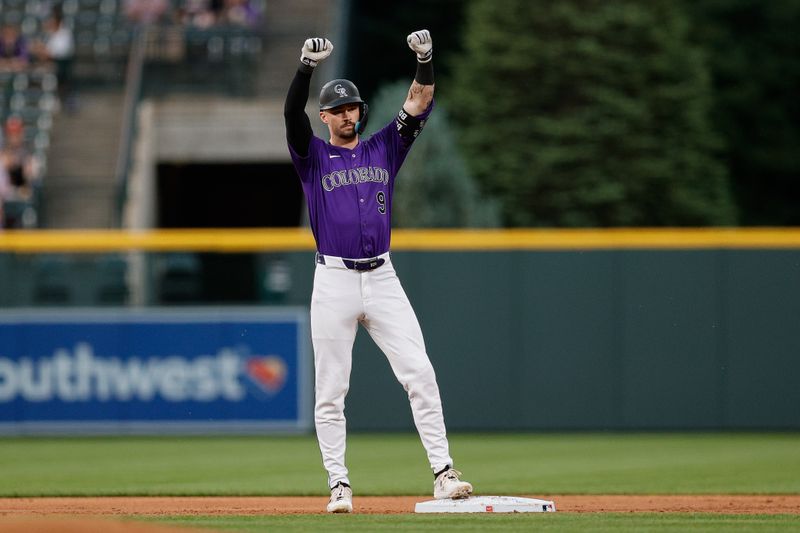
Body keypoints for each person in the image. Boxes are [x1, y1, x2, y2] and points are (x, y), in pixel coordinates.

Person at [283, 30, 473, 514]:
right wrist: (306, 67)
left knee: (420, 373)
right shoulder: (313, 157)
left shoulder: (383, 148)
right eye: (339, 109)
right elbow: (290, 115)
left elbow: (420, 99)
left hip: (382, 275)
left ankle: (443, 473)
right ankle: (339, 485)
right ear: (325, 117)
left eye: (353, 107)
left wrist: (425, 59)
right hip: (334, 279)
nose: (349, 114)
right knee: (331, 391)